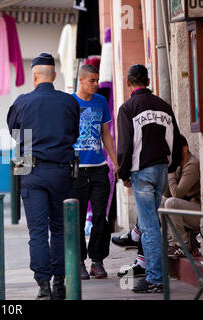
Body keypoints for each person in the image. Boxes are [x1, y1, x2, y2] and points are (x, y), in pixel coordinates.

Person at [7, 53, 80, 300]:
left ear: (34, 75)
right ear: (54, 75)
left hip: (32, 171)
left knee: (37, 231)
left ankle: (43, 285)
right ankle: (60, 282)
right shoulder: (69, 102)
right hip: (61, 171)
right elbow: (74, 133)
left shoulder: (22, 102)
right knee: (60, 229)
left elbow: (15, 135)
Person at [117, 64, 181, 294]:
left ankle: (155, 278)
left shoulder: (127, 108)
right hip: (162, 170)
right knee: (151, 223)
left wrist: (123, 173)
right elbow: (176, 138)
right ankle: (152, 271)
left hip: (141, 173)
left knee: (149, 226)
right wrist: (170, 165)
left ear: (128, 83)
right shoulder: (164, 106)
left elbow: (124, 147)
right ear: (148, 80)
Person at [72, 65, 118, 280]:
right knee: (78, 219)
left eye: (97, 80)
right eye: (92, 80)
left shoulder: (100, 102)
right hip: (76, 171)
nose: (96, 84)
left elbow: (105, 133)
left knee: (101, 216)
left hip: (99, 169)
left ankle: (97, 261)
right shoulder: (69, 103)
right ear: (80, 80)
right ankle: (79, 261)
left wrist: (115, 162)